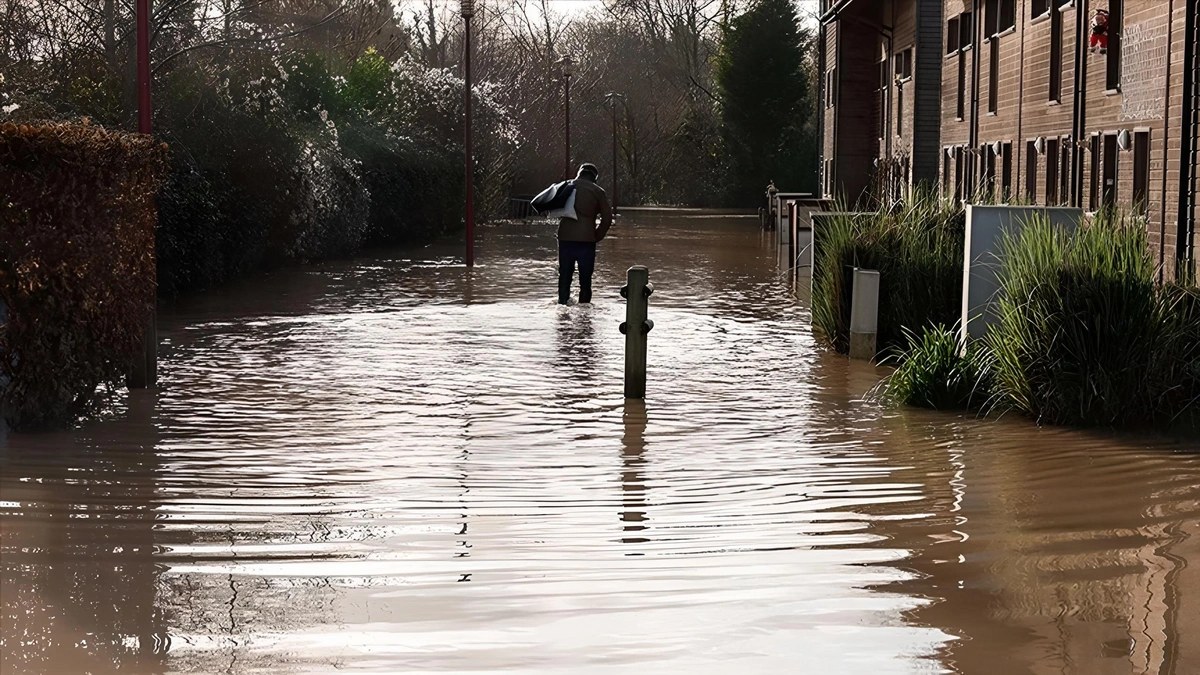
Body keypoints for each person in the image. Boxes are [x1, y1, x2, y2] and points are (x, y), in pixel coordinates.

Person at [558, 163, 613, 305]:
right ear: (595, 177)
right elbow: (607, 219)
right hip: (586, 240)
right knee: (585, 279)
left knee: (564, 276)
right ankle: (584, 313)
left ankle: (562, 307)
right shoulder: (598, 191)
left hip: (565, 238)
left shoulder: (565, 186)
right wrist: (597, 236)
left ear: (579, 174)